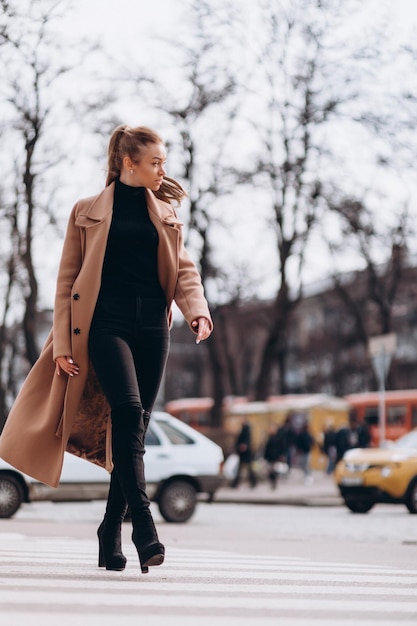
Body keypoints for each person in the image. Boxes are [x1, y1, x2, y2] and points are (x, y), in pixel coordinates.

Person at [0, 125, 213, 574]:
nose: (162, 170)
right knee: (128, 410)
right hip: (105, 326)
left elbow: (185, 270)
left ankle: (108, 528)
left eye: (164, 162)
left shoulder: (167, 211)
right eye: (155, 162)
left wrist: (197, 310)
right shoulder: (87, 211)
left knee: (134, 429)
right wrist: (61, 341)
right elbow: (65, 284)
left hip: (153, 327)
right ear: (127, 163)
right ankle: (143, 526)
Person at [231, 421, 257, 489]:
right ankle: (236, 483)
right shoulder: (245, 430)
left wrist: (242, 446)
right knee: (245, 469)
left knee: (246, 469)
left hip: (245, 454)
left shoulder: (246, 431)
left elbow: (245, 442)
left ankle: (236, 484)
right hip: (244, 454)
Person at [263, 424, 283, 489]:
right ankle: (272, 482)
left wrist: (280, 455)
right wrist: (265, 456)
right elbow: (267, 448)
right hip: (270, 456)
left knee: (273, 470)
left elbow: (280, 447)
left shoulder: (278, 438)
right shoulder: (270, 438)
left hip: (275, 456)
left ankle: (274, 482)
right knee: (270, 470)